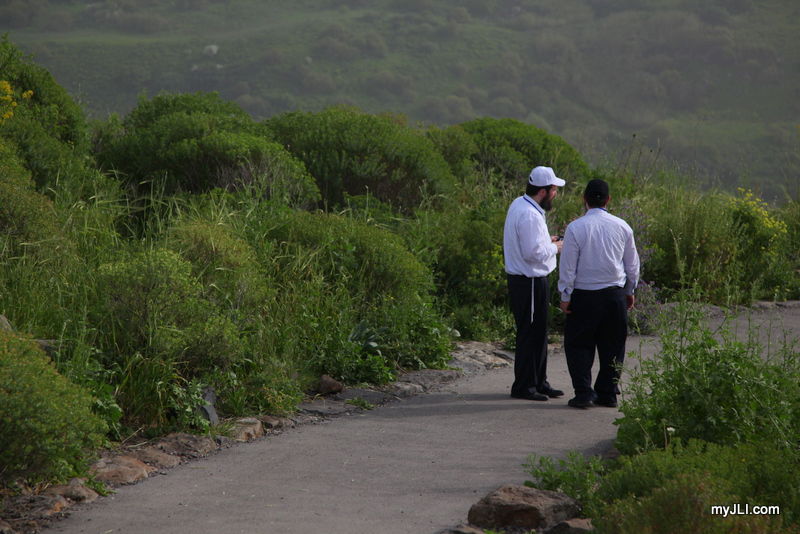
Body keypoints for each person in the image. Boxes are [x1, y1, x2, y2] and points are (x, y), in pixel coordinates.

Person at [557, 179, 640, 409]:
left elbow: (568, 267)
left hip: (584, 296)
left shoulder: (576, 228)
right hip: (614, 295)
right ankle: (608, 393)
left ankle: (584, 393)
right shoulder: (622, 226)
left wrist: (565, 296)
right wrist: (630, 290)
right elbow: (633, 265)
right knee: (613, 345)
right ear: (608, 200)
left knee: (579, 344)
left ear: (584, 200)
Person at [503, 166, 566, 401]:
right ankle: (524, 386)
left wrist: (545, 241)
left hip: (528, 280)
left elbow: (529, 243)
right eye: (554, 189)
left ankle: (539, 382)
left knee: (539, 332)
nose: (556, 194)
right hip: (528, 280)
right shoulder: (530, 214)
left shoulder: (521, 204)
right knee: (530, 333)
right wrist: (556, 247)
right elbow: (532, 253)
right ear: (543, 191)